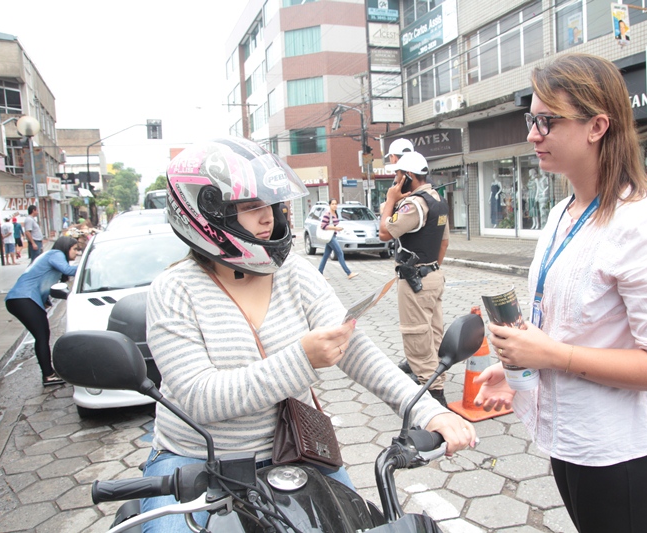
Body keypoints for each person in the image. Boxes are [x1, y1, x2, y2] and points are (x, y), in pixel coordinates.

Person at [143, 138, 477, 532]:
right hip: (194, 460)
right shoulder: (173, 290)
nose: (267, 218)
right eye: (251, 207)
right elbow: (199, 398)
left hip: (293, 451)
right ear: (206, 213)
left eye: (269, 204)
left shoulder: (292, 272)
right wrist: (301, 359)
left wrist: (425, 410)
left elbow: (355, 349)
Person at [474, 54, 647, 533]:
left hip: (619, 455)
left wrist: (552, 354)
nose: (532, 134)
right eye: (531, 119)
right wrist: (523, 360)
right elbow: (574, 326)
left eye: (547, 121)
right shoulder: (562, 213)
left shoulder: (641, 226)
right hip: (568, 438)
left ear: (598, 126)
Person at [378, 151, 451, 407]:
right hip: (433, 275)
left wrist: (390, 200)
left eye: (398, 176)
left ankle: (434, 399)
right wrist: (431, 270)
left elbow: (384, 231)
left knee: (417, 338)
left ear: (408, 176)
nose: (395, 182)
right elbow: (444, 243)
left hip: (415, 280)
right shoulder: (438, 200)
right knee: (433, 334)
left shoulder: (415, 204)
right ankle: (435, 383)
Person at [5, 237, 79, 386]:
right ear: (66, 247)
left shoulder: (51, 258)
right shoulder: (56, 253)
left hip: (20, 299)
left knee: (43, 335)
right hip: (23, 298)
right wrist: (89, 265)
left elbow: (46, 284)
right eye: (75, 249)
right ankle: (48, 375)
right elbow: (68, 270)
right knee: (42, 336)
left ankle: (49, 373)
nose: (77, 253)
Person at [317, 198, 358, 280]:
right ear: (329, 205)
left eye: (336, 204)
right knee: (340, 253)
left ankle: (319, 273)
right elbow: (323, 226)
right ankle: (348, 273)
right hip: (330, 237)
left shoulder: (335, 214)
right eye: (333, 204)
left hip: (332, 236)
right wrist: (335, 228)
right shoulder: (327, 214)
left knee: (326, 255)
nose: (334, 205)